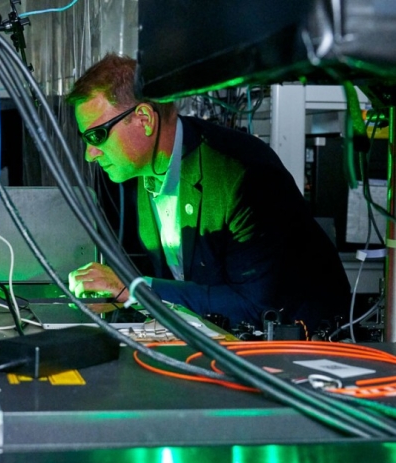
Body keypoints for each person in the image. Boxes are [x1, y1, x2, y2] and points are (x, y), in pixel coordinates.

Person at [66, 54, 349, 334]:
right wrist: (125, 301)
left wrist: (135, 290)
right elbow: (179, 285)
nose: (91, 154)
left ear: (144, 119)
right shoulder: (138, 172)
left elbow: (255, 307)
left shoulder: (242, 174)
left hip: (303, 345)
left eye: (97, 136)